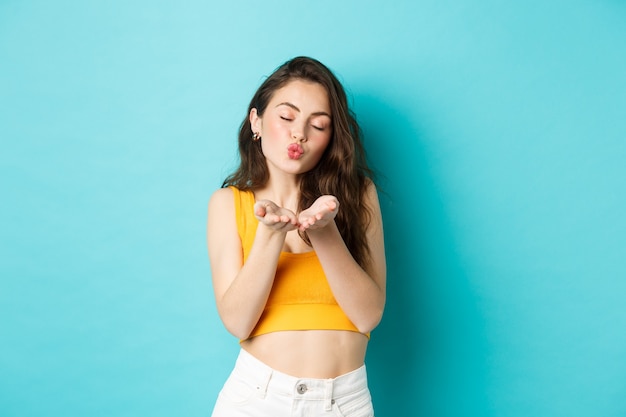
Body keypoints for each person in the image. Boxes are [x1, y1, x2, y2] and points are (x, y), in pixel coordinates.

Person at [207, 56, 386, 417]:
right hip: (256, 400)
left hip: (344, 402)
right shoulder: (228, 203)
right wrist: (270, 235)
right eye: (286, 118)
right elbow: (237, 322)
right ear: (255, 120)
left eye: (318, 125)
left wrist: (324, 233)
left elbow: (368, 316)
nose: (299, 133)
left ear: (331, 137)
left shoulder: (357, 195)